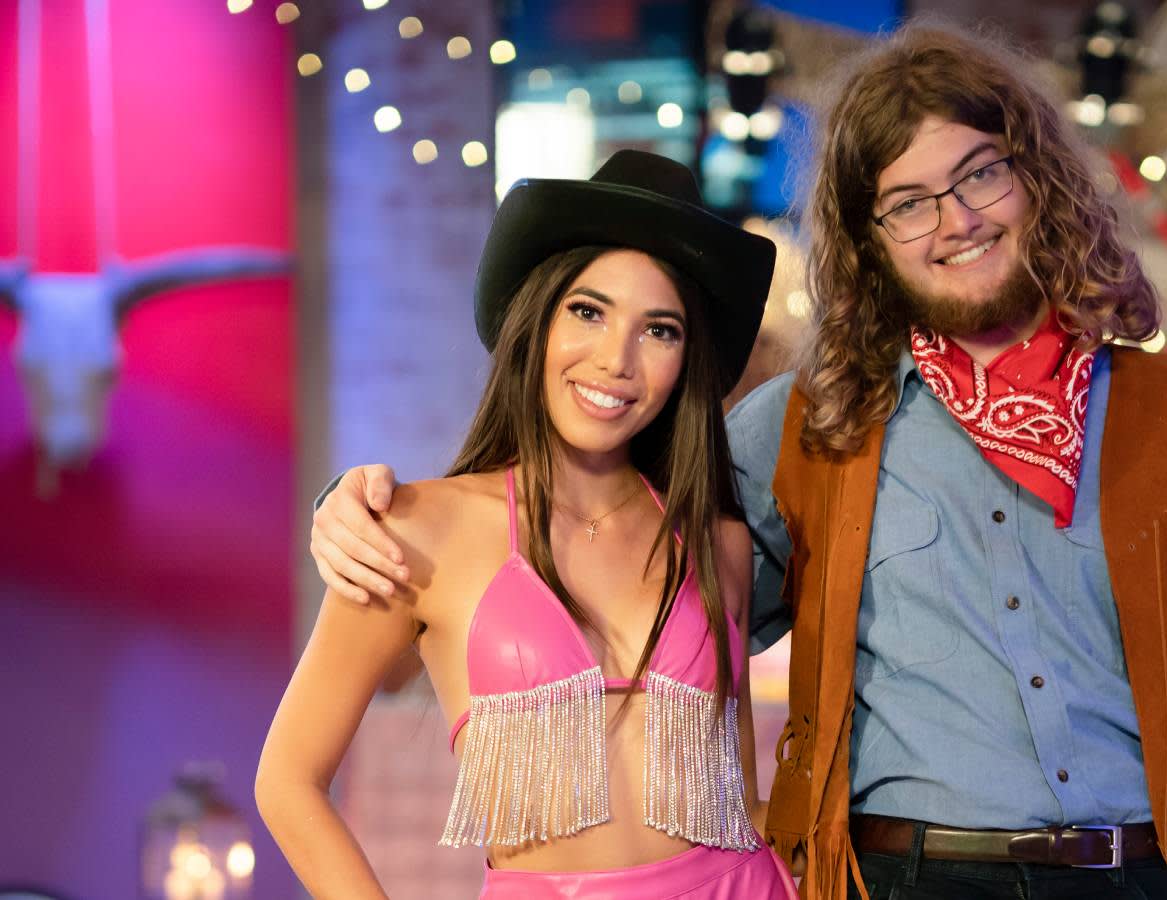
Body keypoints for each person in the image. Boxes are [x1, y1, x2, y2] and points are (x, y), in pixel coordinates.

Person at [309, 23, 1167, 900]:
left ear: (1039, 180)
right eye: (908, 204)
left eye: (980, 176)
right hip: (896, 880)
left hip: (1155, 879)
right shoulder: (801, 428)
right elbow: (598, 530)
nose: (955, 221)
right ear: (870, 243)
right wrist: (360, 515)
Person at [257, 150, 799, 900]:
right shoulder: (415, 527)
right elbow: (287, 781)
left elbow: (737, 797)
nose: (616, 360)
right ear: (537, 320)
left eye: (660, 330)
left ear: (687, 362)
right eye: (588, 311)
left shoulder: (717, 540)